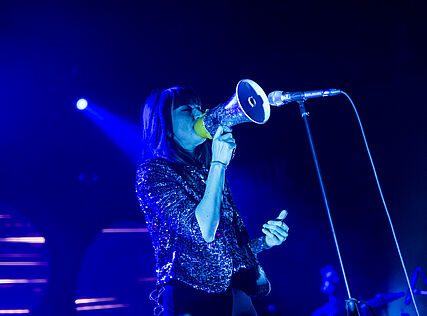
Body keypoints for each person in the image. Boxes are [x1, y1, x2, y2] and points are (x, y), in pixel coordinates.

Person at [135, 86, 289, 316]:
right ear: (164, 125)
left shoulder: (207, 170)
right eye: (187, 109)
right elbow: (203, 230)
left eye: (198, 107)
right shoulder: (153, 173)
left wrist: (265, 242)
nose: (199, 114)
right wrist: (219, 164)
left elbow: (222, 246)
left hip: (237, 293)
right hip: (193, 298)